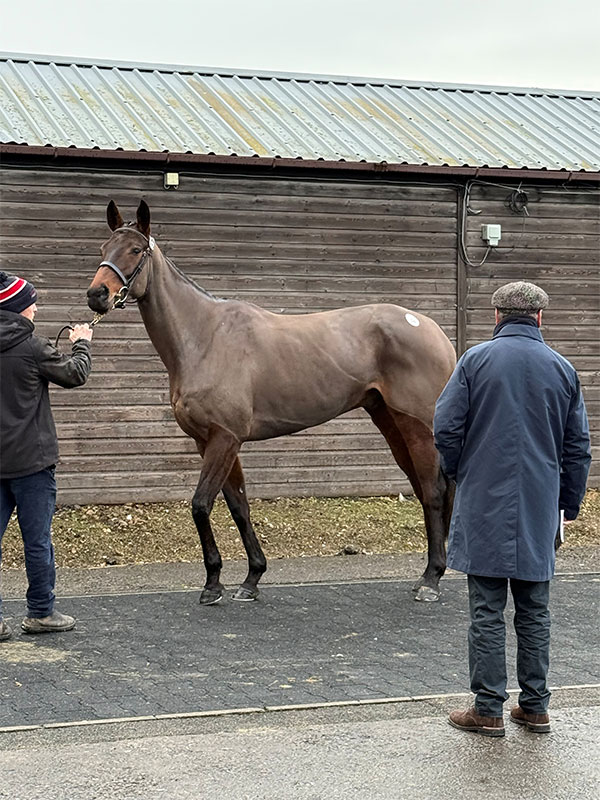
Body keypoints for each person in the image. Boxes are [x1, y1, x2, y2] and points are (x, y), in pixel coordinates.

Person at [434, 281, 591, 737]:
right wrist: (568, 504)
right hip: (540, 506)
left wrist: (461, 471)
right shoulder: (563, 369)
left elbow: (445, 426)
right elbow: (578, 448)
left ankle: (487, 709)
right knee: (535, 609)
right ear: (540, 318)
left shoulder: (475, 361)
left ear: (495, 315)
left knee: (486, 609)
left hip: (484, 503)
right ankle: (536, 705)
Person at [0, 271, 93, 641]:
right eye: (31, 302)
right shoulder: (33, 347)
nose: (36, 307)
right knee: (36, 540)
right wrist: (82, 343)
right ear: (19, 309)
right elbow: (75, 374)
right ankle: (40, 612)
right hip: (33, 465)